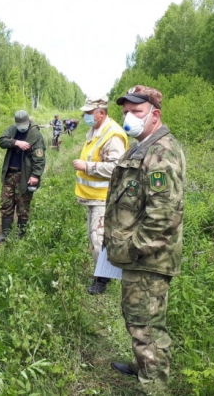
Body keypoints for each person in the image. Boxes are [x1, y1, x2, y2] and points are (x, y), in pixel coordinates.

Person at [104, 85, 185, 394]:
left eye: (136, 112)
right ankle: (143, 366)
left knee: (147, 325)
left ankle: (154, 386)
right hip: (137, 257)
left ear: (155, 115)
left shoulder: (161, 152)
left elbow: (164, 216)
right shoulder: (142, 145)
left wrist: (132, 248)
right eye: (125, 111)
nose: (128, 117)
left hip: (148, 259)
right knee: (137, 318)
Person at [72, 95, 128, 295]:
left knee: (99, 240)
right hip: (92, 196)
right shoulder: (95, 129)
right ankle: (102, 273)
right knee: (95, 237)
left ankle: (103, 280)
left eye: (89, 113)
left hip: (105, 197)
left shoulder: (112, 135)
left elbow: (116, 167)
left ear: (101, 113)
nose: (85, 115)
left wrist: (87, 166)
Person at [0, 110, 46, 243]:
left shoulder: (35, 134)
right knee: (6, 203)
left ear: (28, 121)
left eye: (23, 123)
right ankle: (6, 234)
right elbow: (2, 141)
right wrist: (16, 142)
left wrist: (35, 175)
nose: (21, 126)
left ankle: (21, 236)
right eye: (19, 124)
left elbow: (39, 158)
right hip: (10, 174)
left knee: (23, 205)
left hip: (25, 175)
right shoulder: (12, 129)